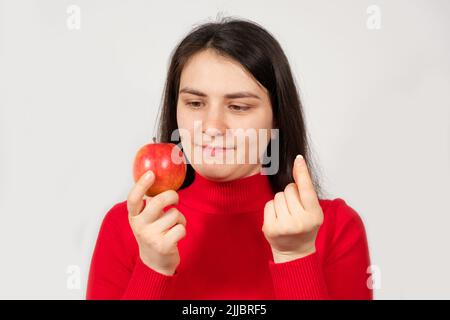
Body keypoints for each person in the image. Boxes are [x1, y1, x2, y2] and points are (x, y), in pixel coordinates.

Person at [86, 17, 373, 300]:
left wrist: (295, 256)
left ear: (277, 118)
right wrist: (153, 268)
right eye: (195, 103)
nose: (212, 127)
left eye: (238, 107)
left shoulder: (335, 228)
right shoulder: (126, 227)